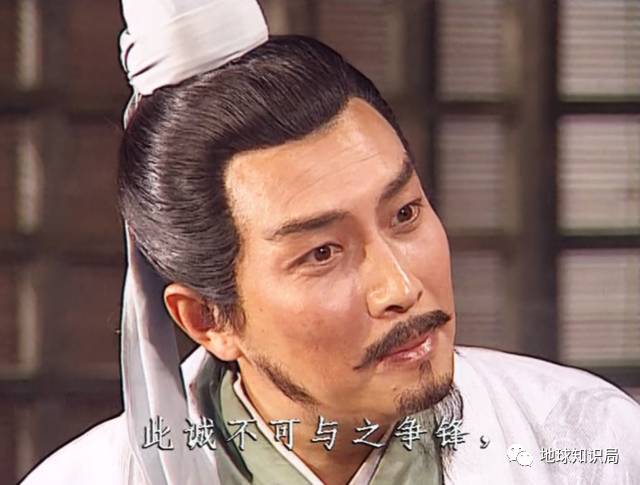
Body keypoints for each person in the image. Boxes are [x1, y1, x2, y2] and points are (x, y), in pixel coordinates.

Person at [21, 0, 640, 484]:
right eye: (322, 253)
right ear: (209, 319)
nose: (400, 288)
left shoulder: (592, 443)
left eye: (404, 214)